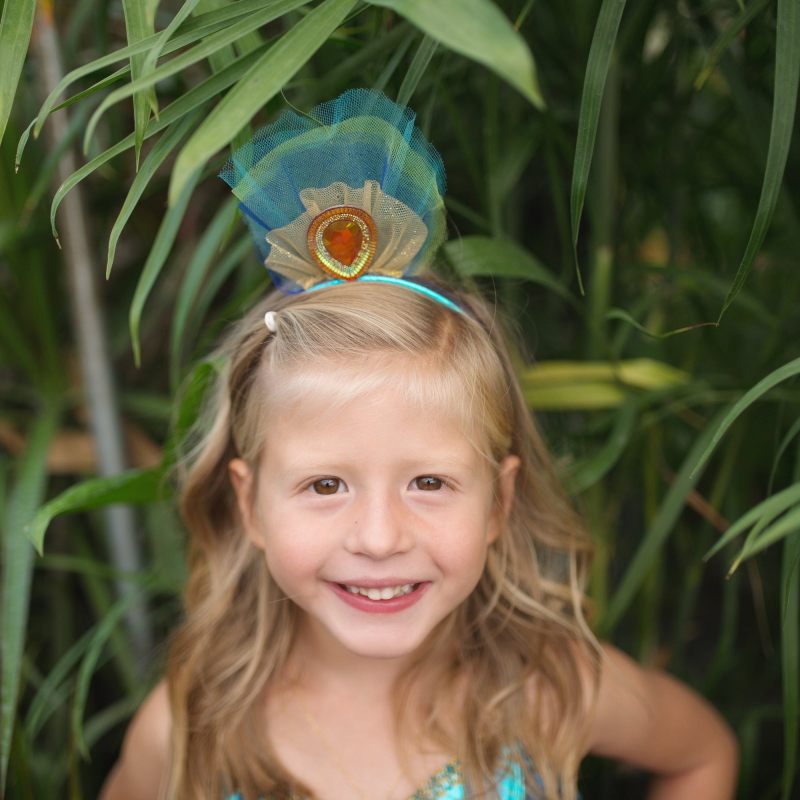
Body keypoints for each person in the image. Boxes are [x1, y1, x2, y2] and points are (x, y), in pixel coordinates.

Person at [100, 90, 738, 800]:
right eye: (325, 485)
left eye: (429, 483)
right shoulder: (191, 729)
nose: (379, 539)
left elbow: (702, 754)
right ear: (250, 506)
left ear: (499, 502)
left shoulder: (548, 686)